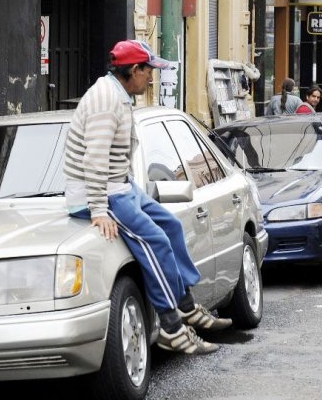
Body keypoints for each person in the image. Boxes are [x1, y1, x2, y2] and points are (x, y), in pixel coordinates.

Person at [64, 40, 232, 355]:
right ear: (134, 70)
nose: (151, 78)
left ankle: (185, 305)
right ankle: (171, 326)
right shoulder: (105, 101)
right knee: (154, 241)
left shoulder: (117, 94)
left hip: (121, 186)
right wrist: (99, 210)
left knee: (170, 225)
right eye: (148, 71)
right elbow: (95, 158)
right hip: (101, 195)